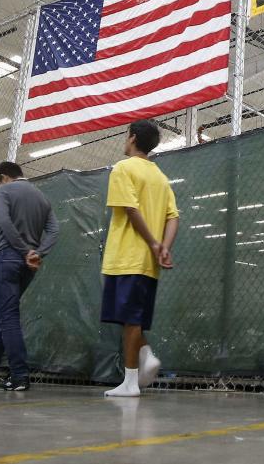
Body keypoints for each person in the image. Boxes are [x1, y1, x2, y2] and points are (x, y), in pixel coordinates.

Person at [100, 119, 179, 397]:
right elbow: (173, 216)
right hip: (147, 263)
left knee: (131, 319)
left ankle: (131, 382)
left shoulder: (123, 169)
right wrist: (163, 247)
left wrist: (155, 243)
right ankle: (146, 354)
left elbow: (132, 211)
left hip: (127, 257)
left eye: (126, 136)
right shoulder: (159, 176)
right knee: (131, 318)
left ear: (132, 138)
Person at [0, 162, 58, 391]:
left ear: (3, 177)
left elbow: (4, 222)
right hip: (28, 265)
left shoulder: (4, 191)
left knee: (7, 316)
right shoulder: (42, 197)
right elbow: (54, 231)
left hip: (7, 258)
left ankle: (19, 375)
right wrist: (37, 252)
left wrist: (23, 250)